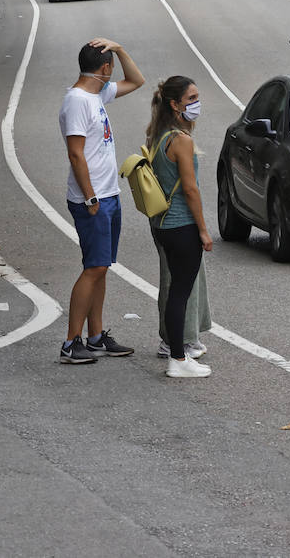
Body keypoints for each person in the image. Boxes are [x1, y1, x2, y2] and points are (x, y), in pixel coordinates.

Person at [58, 38, 144, 364]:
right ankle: (70, 342)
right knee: (93, 268)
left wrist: (121, 50)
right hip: (92, 198)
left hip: (108, 194)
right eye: (112, 64)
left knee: (101, 267)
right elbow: (75, 153)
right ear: (105, 69)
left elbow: (137, 81)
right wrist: (90, 195)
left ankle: (95, 336)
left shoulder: (97, 94)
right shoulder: (78, 101)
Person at [145, 76, 213, 379]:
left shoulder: (157, 136)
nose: (196, 104)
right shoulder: (181, 140)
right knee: (180, 293)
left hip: (161, 224)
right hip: (181, 225)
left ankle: (177, 354)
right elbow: (191, 189)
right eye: (191, 98)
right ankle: (178, 358)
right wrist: (203, 230)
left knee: (175, 291)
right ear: (175, 104)